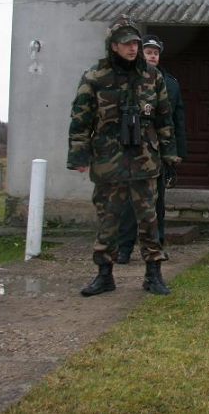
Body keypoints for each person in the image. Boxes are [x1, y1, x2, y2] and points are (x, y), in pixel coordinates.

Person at [67, 15, 175, 296]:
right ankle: (104, 275)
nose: (132, 49)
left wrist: (169, 156)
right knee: (108, 219)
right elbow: (80, 120)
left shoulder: (152, 76)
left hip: (145, 160)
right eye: (126, 44)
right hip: (108, 161)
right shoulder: (95, 77)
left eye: (135, 44)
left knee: (149, 220)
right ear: (113, 46)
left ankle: (153, 275)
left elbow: (165, 118)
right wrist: (78, 156)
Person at [116, 34, 186, 262]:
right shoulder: (128, 79)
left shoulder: (171, 83)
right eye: (148, 51)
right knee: (129, 203)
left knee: (157, 203)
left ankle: (157, 246)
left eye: (155, 52)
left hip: (157, 152)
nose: (152, 55)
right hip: (132, 151)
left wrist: (177, 152)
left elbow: (176, 120)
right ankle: (124, 248)